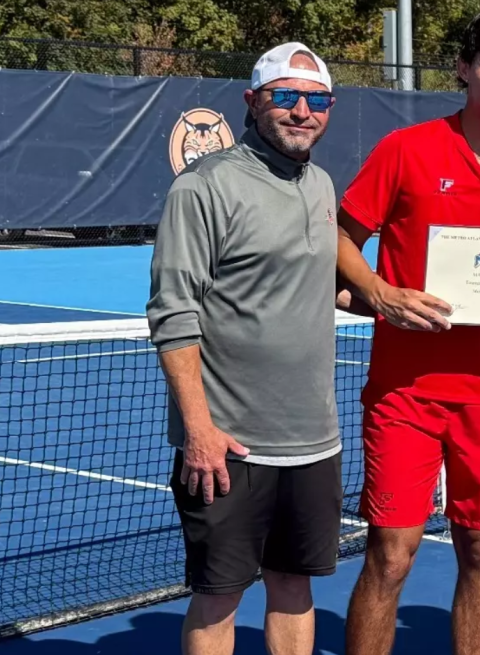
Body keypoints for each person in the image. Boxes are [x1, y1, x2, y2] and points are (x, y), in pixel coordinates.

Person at [335, 9, 480, 655]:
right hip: (406, 392)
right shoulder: (406, 149)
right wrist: (378, 291)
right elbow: (340, 237)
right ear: (464, 69)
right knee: (392, 553)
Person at [146, 42, 340, 655]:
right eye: (286, 97)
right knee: (218, 598)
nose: (302, 111)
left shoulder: (322, 184)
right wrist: (200, 430)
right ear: (253, 102)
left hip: (314, 441)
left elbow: (315, 285)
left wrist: (398, 300)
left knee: (293, 586)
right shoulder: (204, 188)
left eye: (317, 99)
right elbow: (173, 314)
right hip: (228, 447)